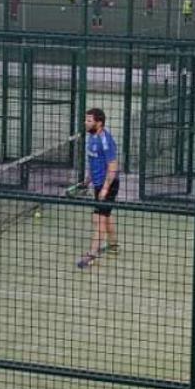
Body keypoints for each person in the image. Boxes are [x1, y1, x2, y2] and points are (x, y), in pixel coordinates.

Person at [76, 108, 120, 269]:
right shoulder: (91, 137)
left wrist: (105, 189)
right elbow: (93, 162)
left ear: (98, 123)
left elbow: (113, 166)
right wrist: (87, 181)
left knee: (98, 219)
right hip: (97, 184)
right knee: (105, 217)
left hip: (109, 184)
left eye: (89, 120)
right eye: (85, 120)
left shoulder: (105, 140)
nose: (85, 123)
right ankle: (114, 245)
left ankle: (91, 255)